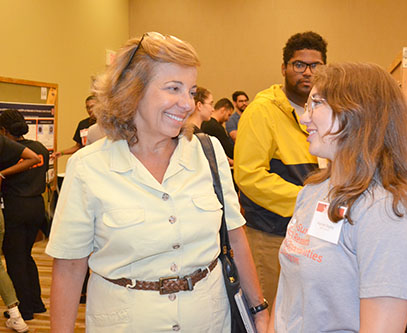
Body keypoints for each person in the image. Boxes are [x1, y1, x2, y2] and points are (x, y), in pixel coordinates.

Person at [46, 32, 268, 332]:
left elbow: (235, 236)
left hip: (209, 320)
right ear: (132, 91)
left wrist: (259, 310)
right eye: (173, 88)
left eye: (191, 91)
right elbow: (70, 268)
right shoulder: (88, 168)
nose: (187, 104)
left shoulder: (208, 153)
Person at [269, 62, 407, 332]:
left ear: (359, 113)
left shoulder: (389, 212)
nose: (304, 118)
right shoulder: (312, 192)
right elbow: (288, 289)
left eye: (317, 104)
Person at [234, 31, 327, 304]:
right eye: (299, 65)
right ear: (284, 68)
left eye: (315, 66)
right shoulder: (262, 111)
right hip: (271, 234)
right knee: (271, 312)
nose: (307, 72)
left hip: (311, 232)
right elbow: (249, 176)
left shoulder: (324, 110)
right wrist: (307, 200)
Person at [0, 110, 49, 323]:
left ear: (3, 130)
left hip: (15, 207)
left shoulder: (9, 152)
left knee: (15, 261)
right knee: (26, 257)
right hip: (37, 206)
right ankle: (36, 303)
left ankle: (24, 309)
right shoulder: (40, 148)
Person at [201, 98, 234, 162]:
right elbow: (228, 149)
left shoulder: (204, 123)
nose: (228, 119)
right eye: (228, 115)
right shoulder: (216, 127)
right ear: (223, 110)